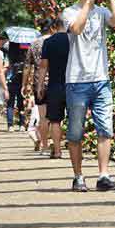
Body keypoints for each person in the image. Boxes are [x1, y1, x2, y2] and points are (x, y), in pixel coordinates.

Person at [61, 0, 115, 192]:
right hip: (77, 80)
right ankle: (78, 176)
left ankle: (104, 176)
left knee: (105, 128)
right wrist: (88, 2)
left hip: (101, 80)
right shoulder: (69, 11)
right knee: (75, 132)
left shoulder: (102, 12)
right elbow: (76, 29)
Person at [36, 18, 69, 159]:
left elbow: (43, 66)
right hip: (73, 85)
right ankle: (77, 151)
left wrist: (40, 85)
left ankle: (57, 151)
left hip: (55, 85)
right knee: (75, 119)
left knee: (55, 120)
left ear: (53, 28)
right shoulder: (74, 40)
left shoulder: (48, 42)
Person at [25, 18, 54, 153]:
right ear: (52, 28)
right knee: (55, 117)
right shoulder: (55, 42)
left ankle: (44, 146)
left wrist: (25, 84)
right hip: (56, 81)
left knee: (42, 118)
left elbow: (27, 66)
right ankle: (55, 142)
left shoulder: (34, 44)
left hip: (39, 83)